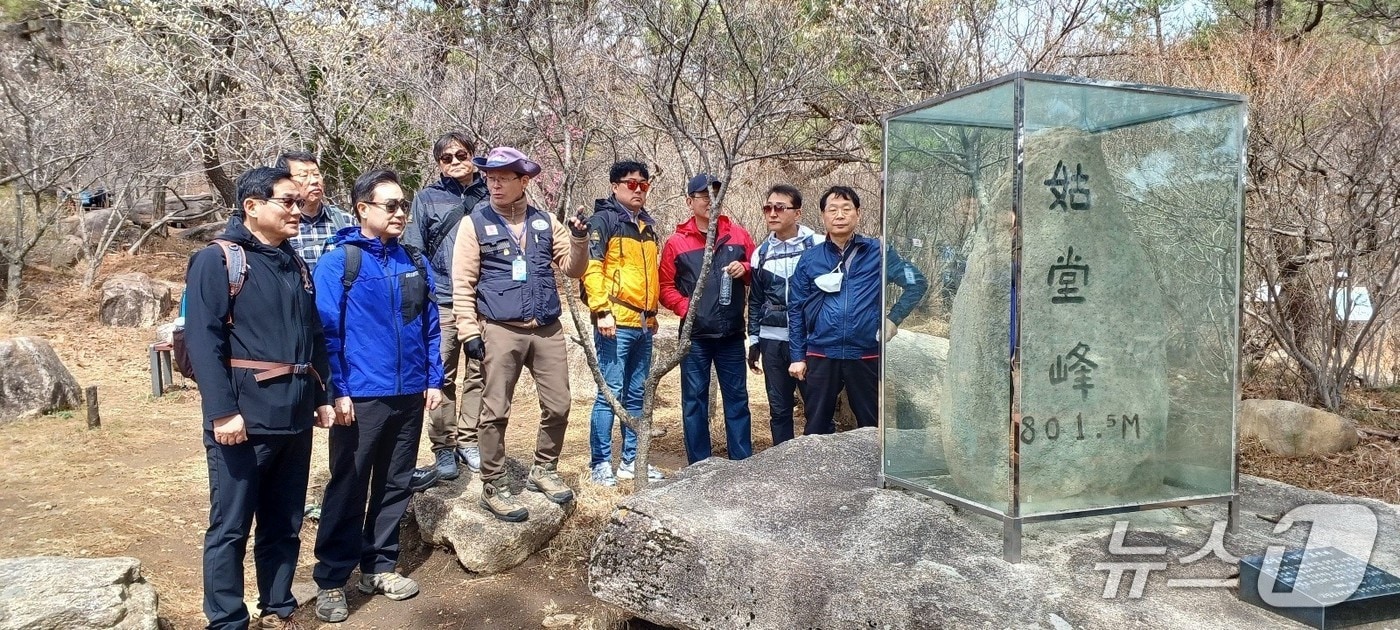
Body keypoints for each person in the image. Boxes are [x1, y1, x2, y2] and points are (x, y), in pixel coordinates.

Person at [185, 166, 334, 630]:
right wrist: (222, 412)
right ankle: (227, 620)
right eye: (287, 202)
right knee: (230, 526)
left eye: (298, 202)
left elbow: (313, 334)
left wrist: (321, 393)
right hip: (243, 420)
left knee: (284, 521)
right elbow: (204, 340)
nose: (298, 209)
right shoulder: (217, 259)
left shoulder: (294, 261)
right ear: (252, 206)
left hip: (294, 414)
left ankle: (278, 606)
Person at [309, 169, 444, 623]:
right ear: (362, 209)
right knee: (348, 485)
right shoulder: (339, 263)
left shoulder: (414, 260)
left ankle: (379, 565)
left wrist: (433, 379)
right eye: (390, 205)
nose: (400, 213)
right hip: (360, 397)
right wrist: (337, 390)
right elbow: (327, 334)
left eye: (403, 205)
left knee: (395, 482)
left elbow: (429, 327)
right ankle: (330, 580)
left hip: (408, 393)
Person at [452, 147, 589, 521]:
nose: (493, 184)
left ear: (523, 181)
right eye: (489, 177)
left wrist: (579, 240)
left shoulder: (546, 222)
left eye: (502, 178)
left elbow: (574, 270)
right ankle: (493, 485)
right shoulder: (474, 224)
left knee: (559, 405)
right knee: (494, 411)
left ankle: (544, 469)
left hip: (546, 329)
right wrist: (469, 331)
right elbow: (462, 284)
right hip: (499, 329)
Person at [787, 186, 929, 434]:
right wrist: (798, 356)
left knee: (870, 425)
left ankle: (867, 473)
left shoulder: (879, 252)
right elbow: (796, 309)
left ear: (858, 213)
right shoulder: (810, 258)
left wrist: (893, 319)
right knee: (816, 425)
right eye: (832, 210)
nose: (839, 215)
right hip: (821, 352)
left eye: (846, 209)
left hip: (865, 352)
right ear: (823, 216)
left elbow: (916, 283)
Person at [402, 132, 490, 489]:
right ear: (438, 163)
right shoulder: (426, 198)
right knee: (440, 376)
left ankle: (469, 440)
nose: (455, 162)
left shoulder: (491, 193)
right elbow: (414, 248)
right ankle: (443, 445)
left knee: (480, 373)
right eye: (446, 158)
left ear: (472, 155)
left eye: (461, 154)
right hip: (443, 301)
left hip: (485, 300)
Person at [658, 173, 755, 465]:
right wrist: (685, 306)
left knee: (737, 399)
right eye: (704, 197)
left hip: (731, 334)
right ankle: (700, 465)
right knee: (694, 401)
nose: (711, 202)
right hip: (695, 336)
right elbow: (664, 287)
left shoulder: (738, 235)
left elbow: (757, 270)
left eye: (716, 195)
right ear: (690, 201)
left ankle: (742, 461)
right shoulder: (677, 242)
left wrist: (746, 268)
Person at [581, 160, 666, 486]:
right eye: (631, 184)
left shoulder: (647, 227)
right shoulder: (604, 221)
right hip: (614, 321)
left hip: (644, 324)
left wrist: (654, 313)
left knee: (636, 394)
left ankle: (631, 461)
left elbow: (648, 278)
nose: (639, 190)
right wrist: (602, 310)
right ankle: (600, 463)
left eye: (643, 184)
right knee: (610, 393)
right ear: (615, 186)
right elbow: (593, 268)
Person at [747, 184, 822, 446]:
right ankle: (782, 466)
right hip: (773, 340)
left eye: (780, 207)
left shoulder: (819, 246)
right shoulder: (761, 253)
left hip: (811, 340)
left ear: (797, 213)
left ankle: (819, 463)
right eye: (768, 208)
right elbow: (755, 300)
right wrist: (754, 339)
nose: (772, 213)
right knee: (779, 409)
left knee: (818, 408)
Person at [277, 151, 354, 270]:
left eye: (316, 174)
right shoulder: (279, 225)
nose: (314, 181)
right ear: (285, 181)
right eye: (304, 175)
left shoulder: (345, 222)